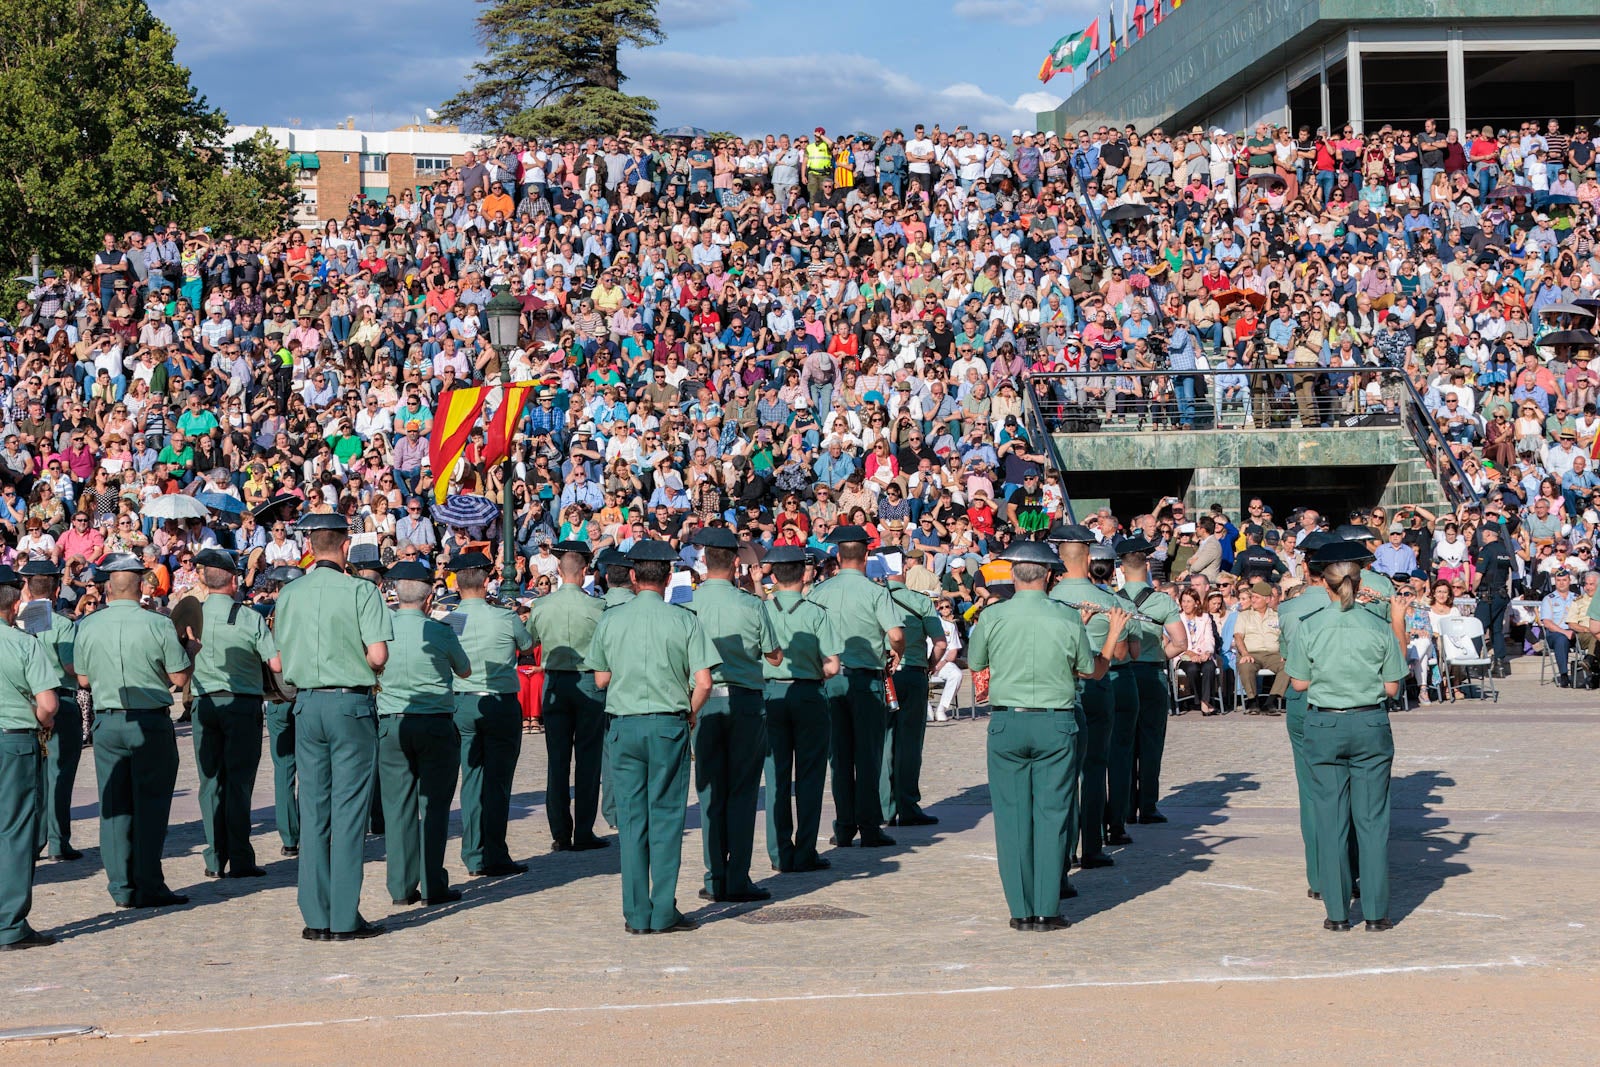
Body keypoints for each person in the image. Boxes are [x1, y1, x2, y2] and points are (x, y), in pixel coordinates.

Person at [969, 540, 1127, 931]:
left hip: (1007, 720)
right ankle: (1046, 906)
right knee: (1053, 814)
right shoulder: (1066, 617)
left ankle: (1021, 910)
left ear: (1013, 575)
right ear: (1049, 576)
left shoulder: (992, 616)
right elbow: (1091, 669)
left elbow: (976, 662)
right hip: (1055, 721)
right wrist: (1109, 635)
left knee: (1011, 819)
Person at [585, 539, 718, 935]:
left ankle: (636, 912)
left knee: (632, 820)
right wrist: (690, 713)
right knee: (666, 817)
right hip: (668, 723)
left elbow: (600, 678)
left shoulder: (611, 619)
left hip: (624, 724)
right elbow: (705, 681)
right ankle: (663, 910)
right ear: (668, 578)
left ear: (631, 576)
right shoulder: (684, 619)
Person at [274, 512, 393, 942]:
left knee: (314, 809)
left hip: (307, 704)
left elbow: (281, 661)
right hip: (350, 703)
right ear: (345, 546)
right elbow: (378, 656)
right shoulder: (361, 590)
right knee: (349, 813)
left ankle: (316, 914)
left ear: (309, 547)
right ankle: (344, 916)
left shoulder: (289, 593)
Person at [1287, 538, 1406, 932]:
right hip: (1369, 721)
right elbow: (1393, 688)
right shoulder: (1377, 625)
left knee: (1330, 818)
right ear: (1359, 581)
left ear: (1326, 584)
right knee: (1372, 822)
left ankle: (1337, 914)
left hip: (1325, 722)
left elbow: (1299, 684)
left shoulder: (1310, 625)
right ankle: (1376, 913)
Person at [74, 552, 196, 909]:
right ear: (141, 585)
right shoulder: (157, 624)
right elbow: (178, 677)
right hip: (149, 719)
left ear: (108, 587)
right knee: (152, 805)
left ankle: (121, 886)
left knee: (114, 805)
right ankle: (149, 883)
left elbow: (82, 679)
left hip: (108, 720)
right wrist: (192, 651)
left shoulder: (89, 625)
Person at [686, 527, 782, 902]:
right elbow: (774, 655)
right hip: (744, 700)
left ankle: (715, 877)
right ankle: (737, 877)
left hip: (705, 702)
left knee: (710, 791)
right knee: (742, 792)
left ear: (704, 562)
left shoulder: (688, 604)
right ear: (737, 562)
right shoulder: (751, 605)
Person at [377, 560, 470, 907]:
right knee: (434, 806)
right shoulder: (441, 631)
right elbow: (464, 669)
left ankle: (401, 885)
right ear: (429, 599)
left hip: (392, 721)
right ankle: (433, 882)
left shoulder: (381, 626)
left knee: (397, 806)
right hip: (435, 720)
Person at [806, 525, 905, 848]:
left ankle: (845, 825)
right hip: (866, 679)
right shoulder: (876, 592)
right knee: (868, 755)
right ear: (866, 556)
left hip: (832, 680)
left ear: (836, 555)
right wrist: (896, 654)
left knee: (840, 757)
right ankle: (869, 825)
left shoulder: (820, 592)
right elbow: (896, 635)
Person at [188, 548, 280, 879]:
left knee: (210, 781)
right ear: (233, 581)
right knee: (239, 783)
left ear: (204, 579)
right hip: (241, 704)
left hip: (204, 704)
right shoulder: (249, 616)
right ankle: (240, 857)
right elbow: (276, 665)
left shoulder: (191, 615)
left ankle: (214, 857)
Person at [1049, 526, 1133, 876]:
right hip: (1098, 683)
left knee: (1065, 772)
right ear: (1088, 557)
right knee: (1095, 768)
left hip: (1062, 686)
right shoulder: (1110, 599)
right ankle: (1093, 845)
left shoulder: (1050, 597)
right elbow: (1124, 652)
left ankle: (1065, 848)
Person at [450, 551, 534, 874]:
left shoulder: (454, 619)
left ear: (458, 586)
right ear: (487, 583)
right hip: (499, 702)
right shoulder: (504, 617)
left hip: (463, 701)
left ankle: (472, 853)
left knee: (471, 780)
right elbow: (526, 645)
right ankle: (495, 853)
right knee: (497, 782)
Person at [760, 544, 841, 873]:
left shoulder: (761, 610)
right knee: (809, 776)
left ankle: (779, 853)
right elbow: (833, 666)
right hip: (808, 693)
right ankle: (805, 850)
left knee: (775, 777)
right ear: (804, 575)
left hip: (770, 694)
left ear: (774, 576)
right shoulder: (816, 612)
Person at [524, 542, 605, 851]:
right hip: (587, 682)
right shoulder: (597, 607)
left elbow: (530, 643)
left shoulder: (542, 606)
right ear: (584, 573)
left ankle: (560, 831)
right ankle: (584, 830)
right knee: (588, 760)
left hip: (555, 681)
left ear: (558, 571)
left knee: (557, 761)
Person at [0, 564, 59, 950]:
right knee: (17, 830)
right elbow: (48, 704)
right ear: (14, 604)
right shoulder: (23, 643)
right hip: (14, 741)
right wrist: (42, 722)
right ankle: (9, 923)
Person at [1112, 536, 1186, 827]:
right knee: (1151, 740)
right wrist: (1156, 654)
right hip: (1151, 673)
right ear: (1146, 565)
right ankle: (1148, 805)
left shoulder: (1113, 599)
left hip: (1121, 672)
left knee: (1122, 740)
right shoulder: (1162, 600)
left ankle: (1125, 805)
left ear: (1121, 567)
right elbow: (1180, 642)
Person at [20, 560, 83, 862]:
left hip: (29, 703)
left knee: (36, 775)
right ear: (56, 591)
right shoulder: (62, 624)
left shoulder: (20, 621)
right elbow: (71, 666)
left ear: (28, 590)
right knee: (61, 773)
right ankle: (58, 840)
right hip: (61, 699)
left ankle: (36, 839)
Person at [881, 556, 946, 828]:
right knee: (910, 744)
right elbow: (940, 643)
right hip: (914, 672)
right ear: (904, 570)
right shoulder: (920, 601)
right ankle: (908, 805)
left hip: (883, 675)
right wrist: (929, 665)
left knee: (883, 743)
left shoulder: (875, 598)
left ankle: (883, 807)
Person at [260, 565, 304, 858]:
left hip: (277, 697)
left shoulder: (267, 616)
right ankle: (313, 830)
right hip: (304, 695)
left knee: (284, 769)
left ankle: (290, 836)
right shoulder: (309, 614)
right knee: (314, 769)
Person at [594, 547, 635, 831]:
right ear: (632, 577)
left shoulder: (597, 608)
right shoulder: (649, 606)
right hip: (640, 682)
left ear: (607, 577)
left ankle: (613, 811)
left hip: (605, 682)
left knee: (611, 753)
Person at [1234, 579, 1290, 713]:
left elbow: (1284, 637)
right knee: (1245, 666)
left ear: (1267, 599)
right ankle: (1253, 701)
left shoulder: (1277, 616)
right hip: (1251, 653)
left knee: (1288, 665)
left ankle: (1271, 700)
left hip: (1273, 655)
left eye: (1256, 597)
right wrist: (1245, 653)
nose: (1253, 600)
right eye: (1252, 596)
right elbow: (1238, 637)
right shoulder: (1244, 615)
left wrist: (1285, 653)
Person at [1539, 569, 1579, 686]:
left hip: (1575, 631)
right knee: (1561, 639)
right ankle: (1564, 675)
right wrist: (1565, 632)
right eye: (1558, 580)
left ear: (1569, 581)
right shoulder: (1548, 599)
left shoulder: (1577, 598)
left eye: (1564, 580)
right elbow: (1547, 622)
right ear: (1555, 582)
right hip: (1555, 633)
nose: (1561, 583)